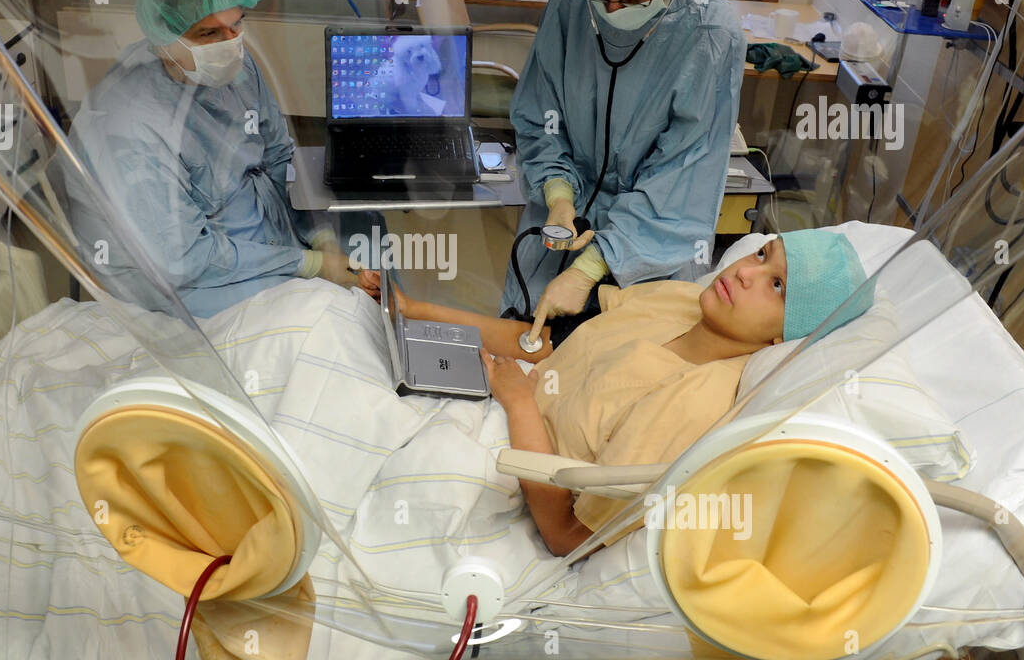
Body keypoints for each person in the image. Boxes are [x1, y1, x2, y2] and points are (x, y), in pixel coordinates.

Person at [365, 229, 871, 556]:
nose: (744, 270)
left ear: (784, 337)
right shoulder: (678, 300)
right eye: (762, 254)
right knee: (337, 317)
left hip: (501, 473)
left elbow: (568, 535)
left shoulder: (695, 405)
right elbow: (540, 348)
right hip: (496, 395)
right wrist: (417, 310)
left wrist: (518, 401)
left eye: (775, 284)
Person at [503, 0, 746, 345]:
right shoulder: (571, 2)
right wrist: (557, 194)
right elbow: (540, 115)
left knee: (617, 371)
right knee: (524, 344)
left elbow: (682, 179)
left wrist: (596, 265)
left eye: (631, 1)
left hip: (650, 249)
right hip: (560, 231)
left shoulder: (711, 36)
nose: (612, 10)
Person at [57, 0, 357, 319]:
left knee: (361, 256)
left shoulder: (234, 65)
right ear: (166, 38)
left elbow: (280, 154)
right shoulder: (132, 128)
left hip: (242, 236)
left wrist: (320, 235)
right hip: (182, 277)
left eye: (236, 25)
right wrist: (306, 264)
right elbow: (183, 257)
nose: (230, 44)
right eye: (209, 33)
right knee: (324, 312)